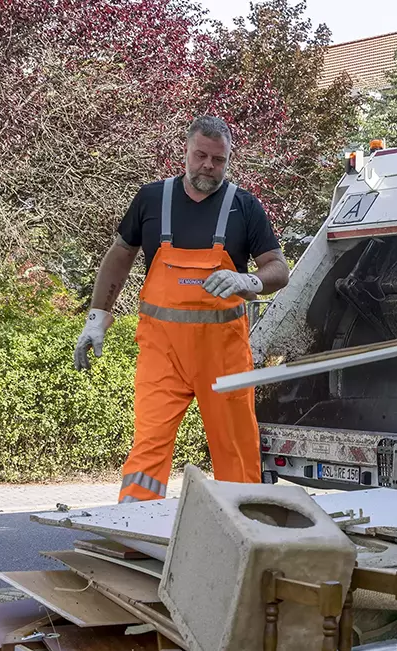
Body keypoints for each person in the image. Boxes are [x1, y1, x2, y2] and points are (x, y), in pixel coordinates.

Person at [73, 116, 290, 503]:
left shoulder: (244, 206)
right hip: (163, 353)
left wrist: (250, 281)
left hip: (223, 356)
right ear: (186, 152)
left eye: (218, 160)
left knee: (236, 450)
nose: (209, 166)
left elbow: (278, 268)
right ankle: (136, 526)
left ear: (228, 159)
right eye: (201, 156)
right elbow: (120, 256)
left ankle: (246, 534)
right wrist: (97, 317)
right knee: (149, 444)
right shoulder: (152, 199)